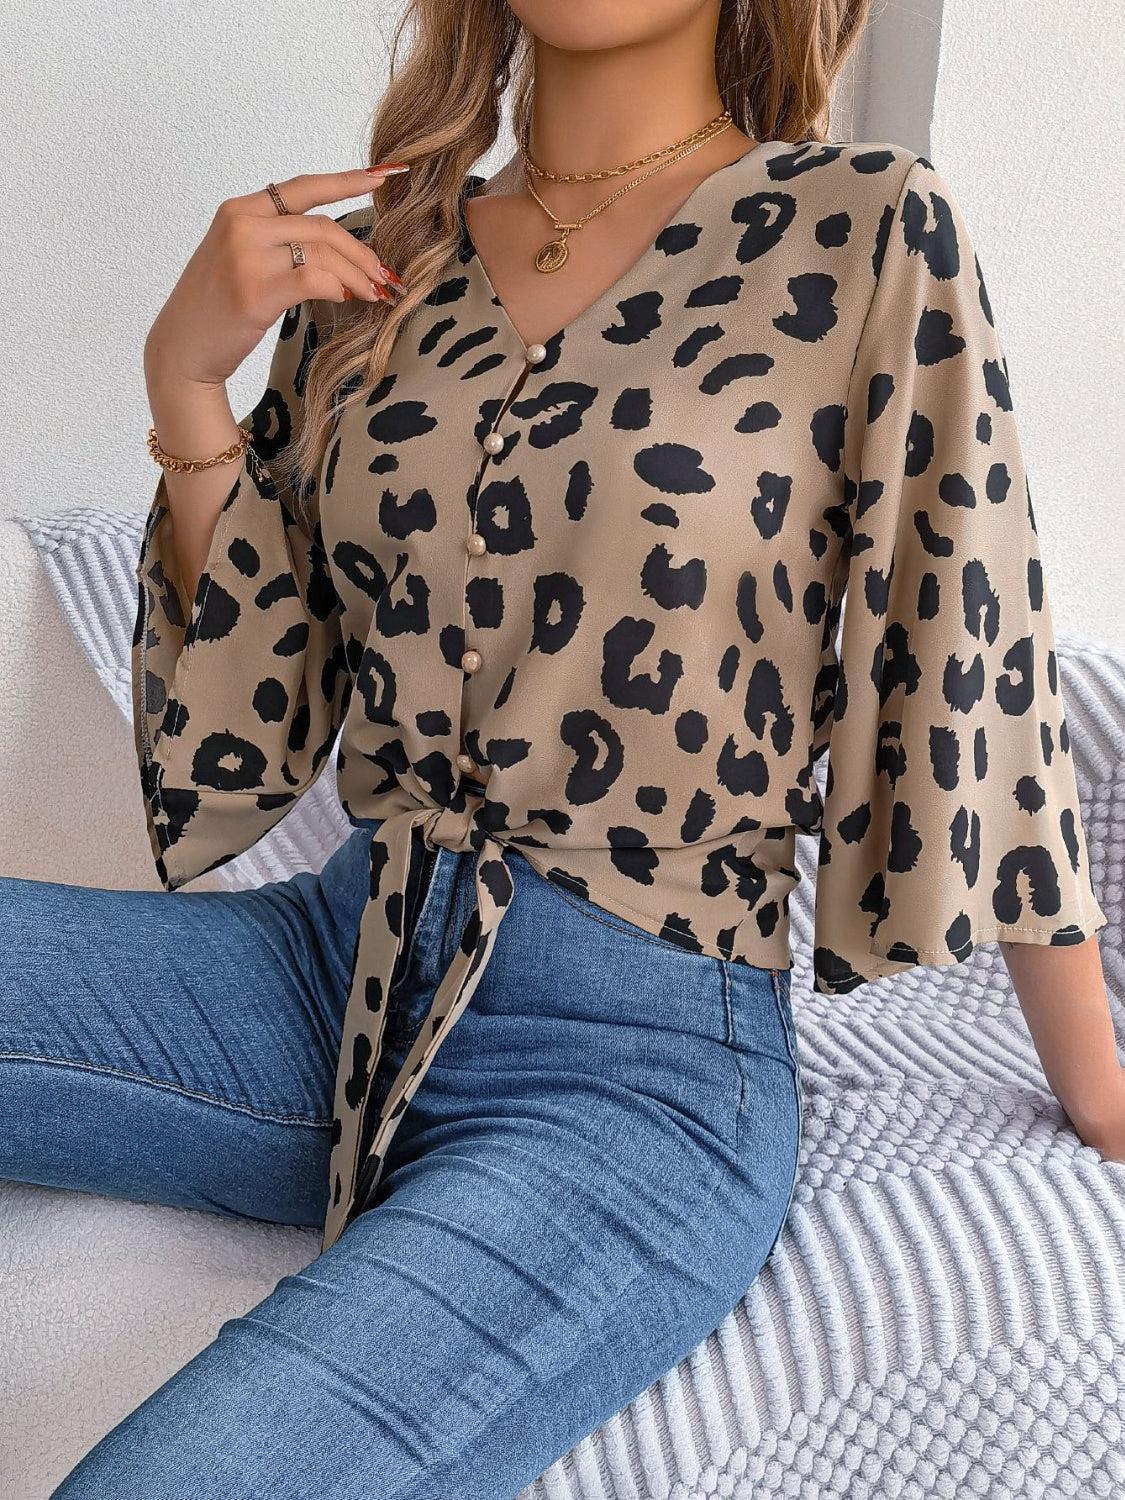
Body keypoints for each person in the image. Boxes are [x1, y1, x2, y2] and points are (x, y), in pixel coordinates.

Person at [2, 1, 1119, 1495]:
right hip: (330, 975)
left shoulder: (860, 229)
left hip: (634, 1072)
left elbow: (966, 662)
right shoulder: (390, 258)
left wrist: (1096, 1086)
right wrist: (188, 383)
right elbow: (248, 708)